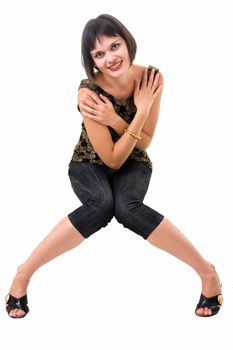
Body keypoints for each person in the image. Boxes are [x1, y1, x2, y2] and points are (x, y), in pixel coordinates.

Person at [5, 13, 223, 319]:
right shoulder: (88, 92)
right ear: (91, 60)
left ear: (127, 42)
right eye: (99, 54)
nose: (110, 58)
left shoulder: (151, 80)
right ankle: (23, 273)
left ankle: (207, 273)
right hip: (88, 163)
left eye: (115, 46)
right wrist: (134, 114)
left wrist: (126, 114)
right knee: (101, 204)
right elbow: (110, 158)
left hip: (134, 161)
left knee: (127, 207)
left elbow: (143, 144)